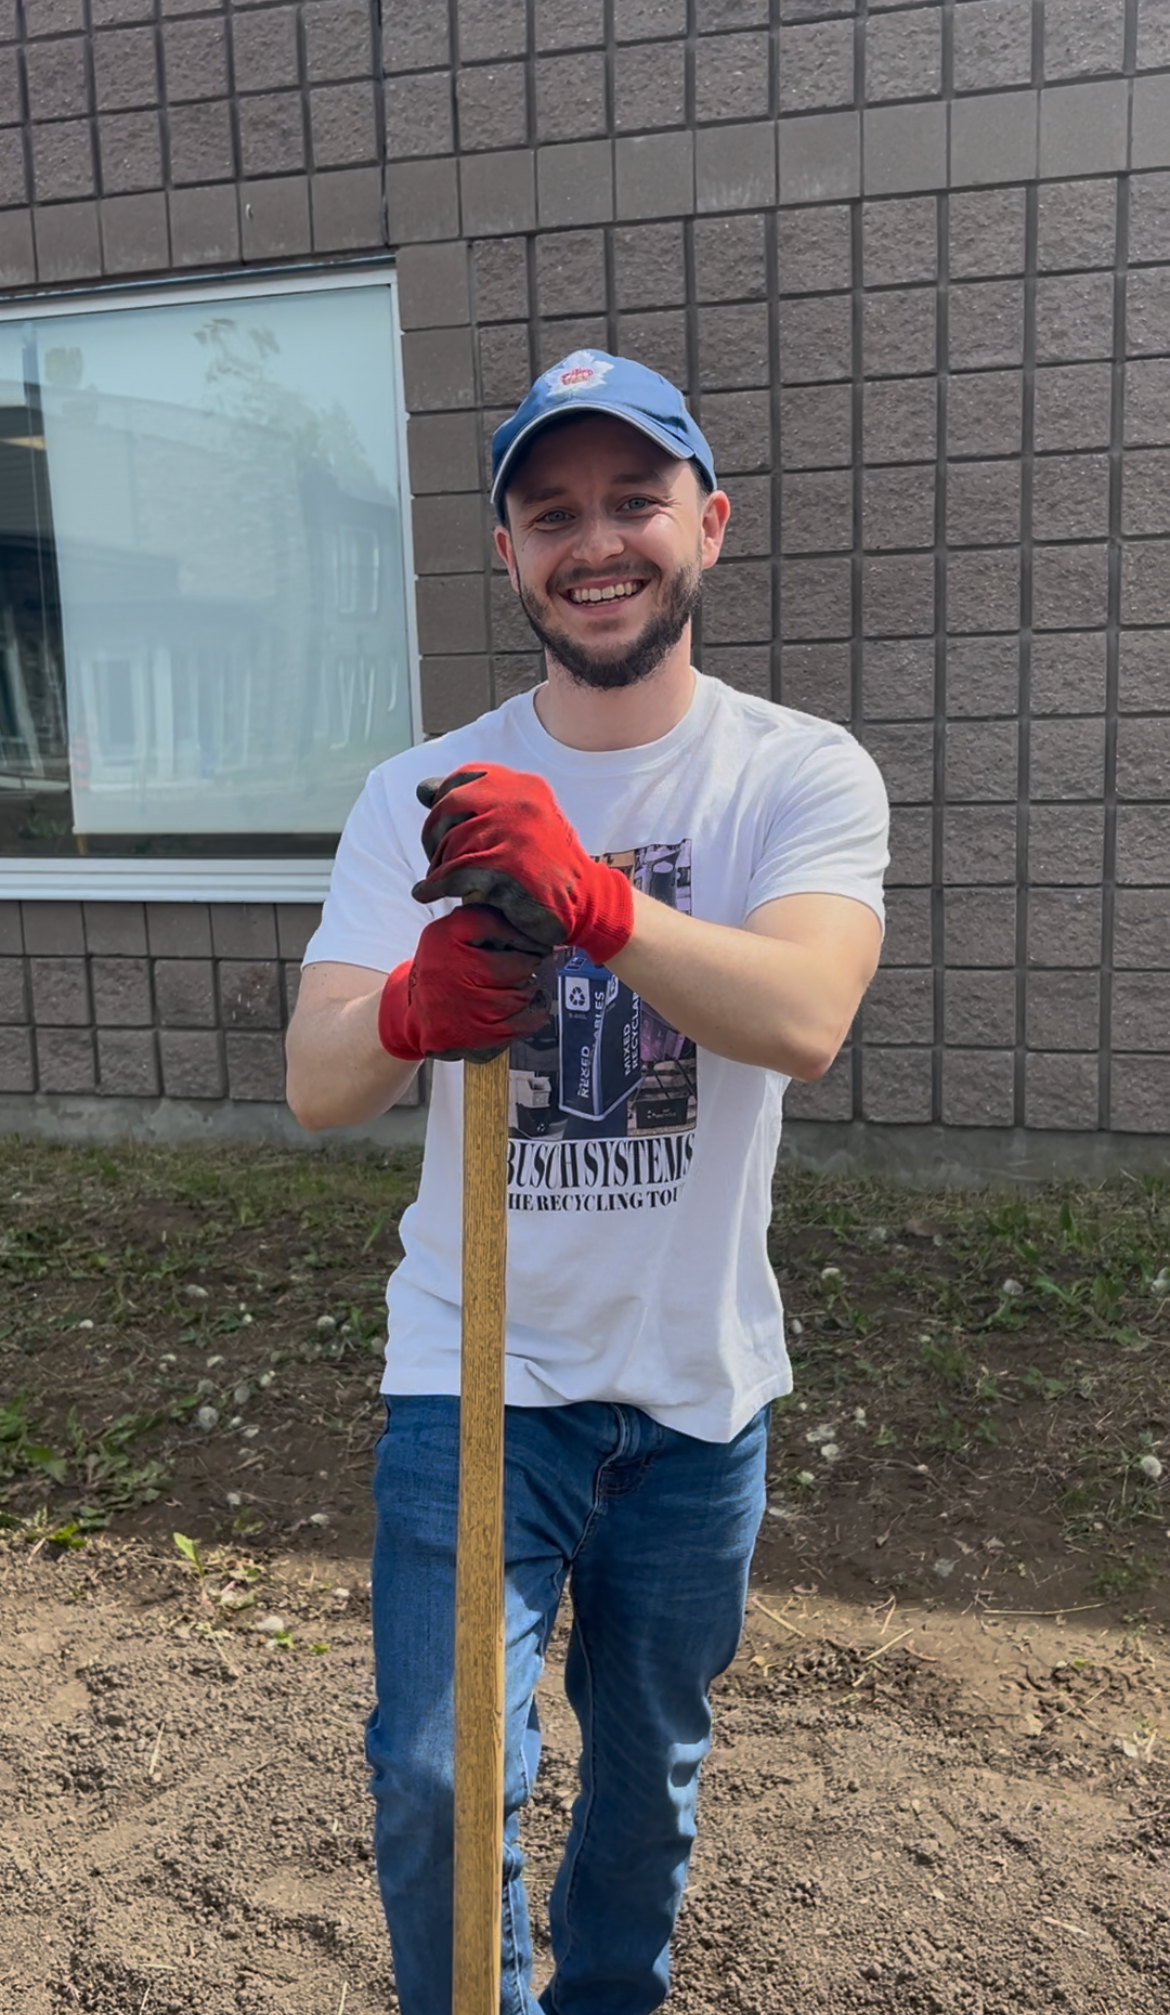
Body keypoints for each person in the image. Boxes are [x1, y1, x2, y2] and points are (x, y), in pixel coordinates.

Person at [285, 350, 889, 2015]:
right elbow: (319, 1080)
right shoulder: (420, 790)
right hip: (474, 1373)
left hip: (695, 1388)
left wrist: (597, 905)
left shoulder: (797, 772)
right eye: (552, 513)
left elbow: (804, 1015)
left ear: (710, 521)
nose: (595, 540)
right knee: (434, 1774)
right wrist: (409, 1006)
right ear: (507, 554)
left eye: (633, 500)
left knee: (645, 1786)